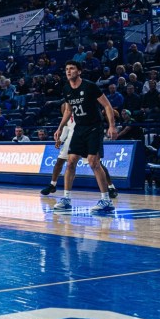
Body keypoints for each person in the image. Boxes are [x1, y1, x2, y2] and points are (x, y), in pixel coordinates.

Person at [52, 60, 119, 213]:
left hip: (94, 126)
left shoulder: (90, 86)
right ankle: (66, 198)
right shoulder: (66, 89)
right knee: (70, 162)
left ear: (79, 71)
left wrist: (112, 125)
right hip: (79, 127)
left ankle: (106, 200)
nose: (69, 71)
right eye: (67, 69)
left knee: (93, 162)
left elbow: (107, 105)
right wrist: (60, 128)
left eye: (72, 69)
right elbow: (68, 111)